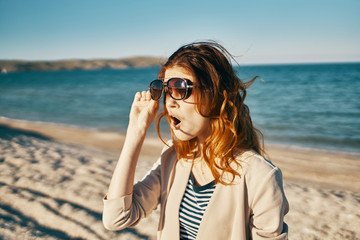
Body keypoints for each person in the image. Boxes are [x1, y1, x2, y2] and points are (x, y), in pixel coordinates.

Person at [102, 41, 289, 239]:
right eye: (166, 90)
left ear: (215, 94)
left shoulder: (261, 176)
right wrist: (135, 131)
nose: (170, 102)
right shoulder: (173, 159)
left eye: (180, 88)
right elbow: (116, 218)